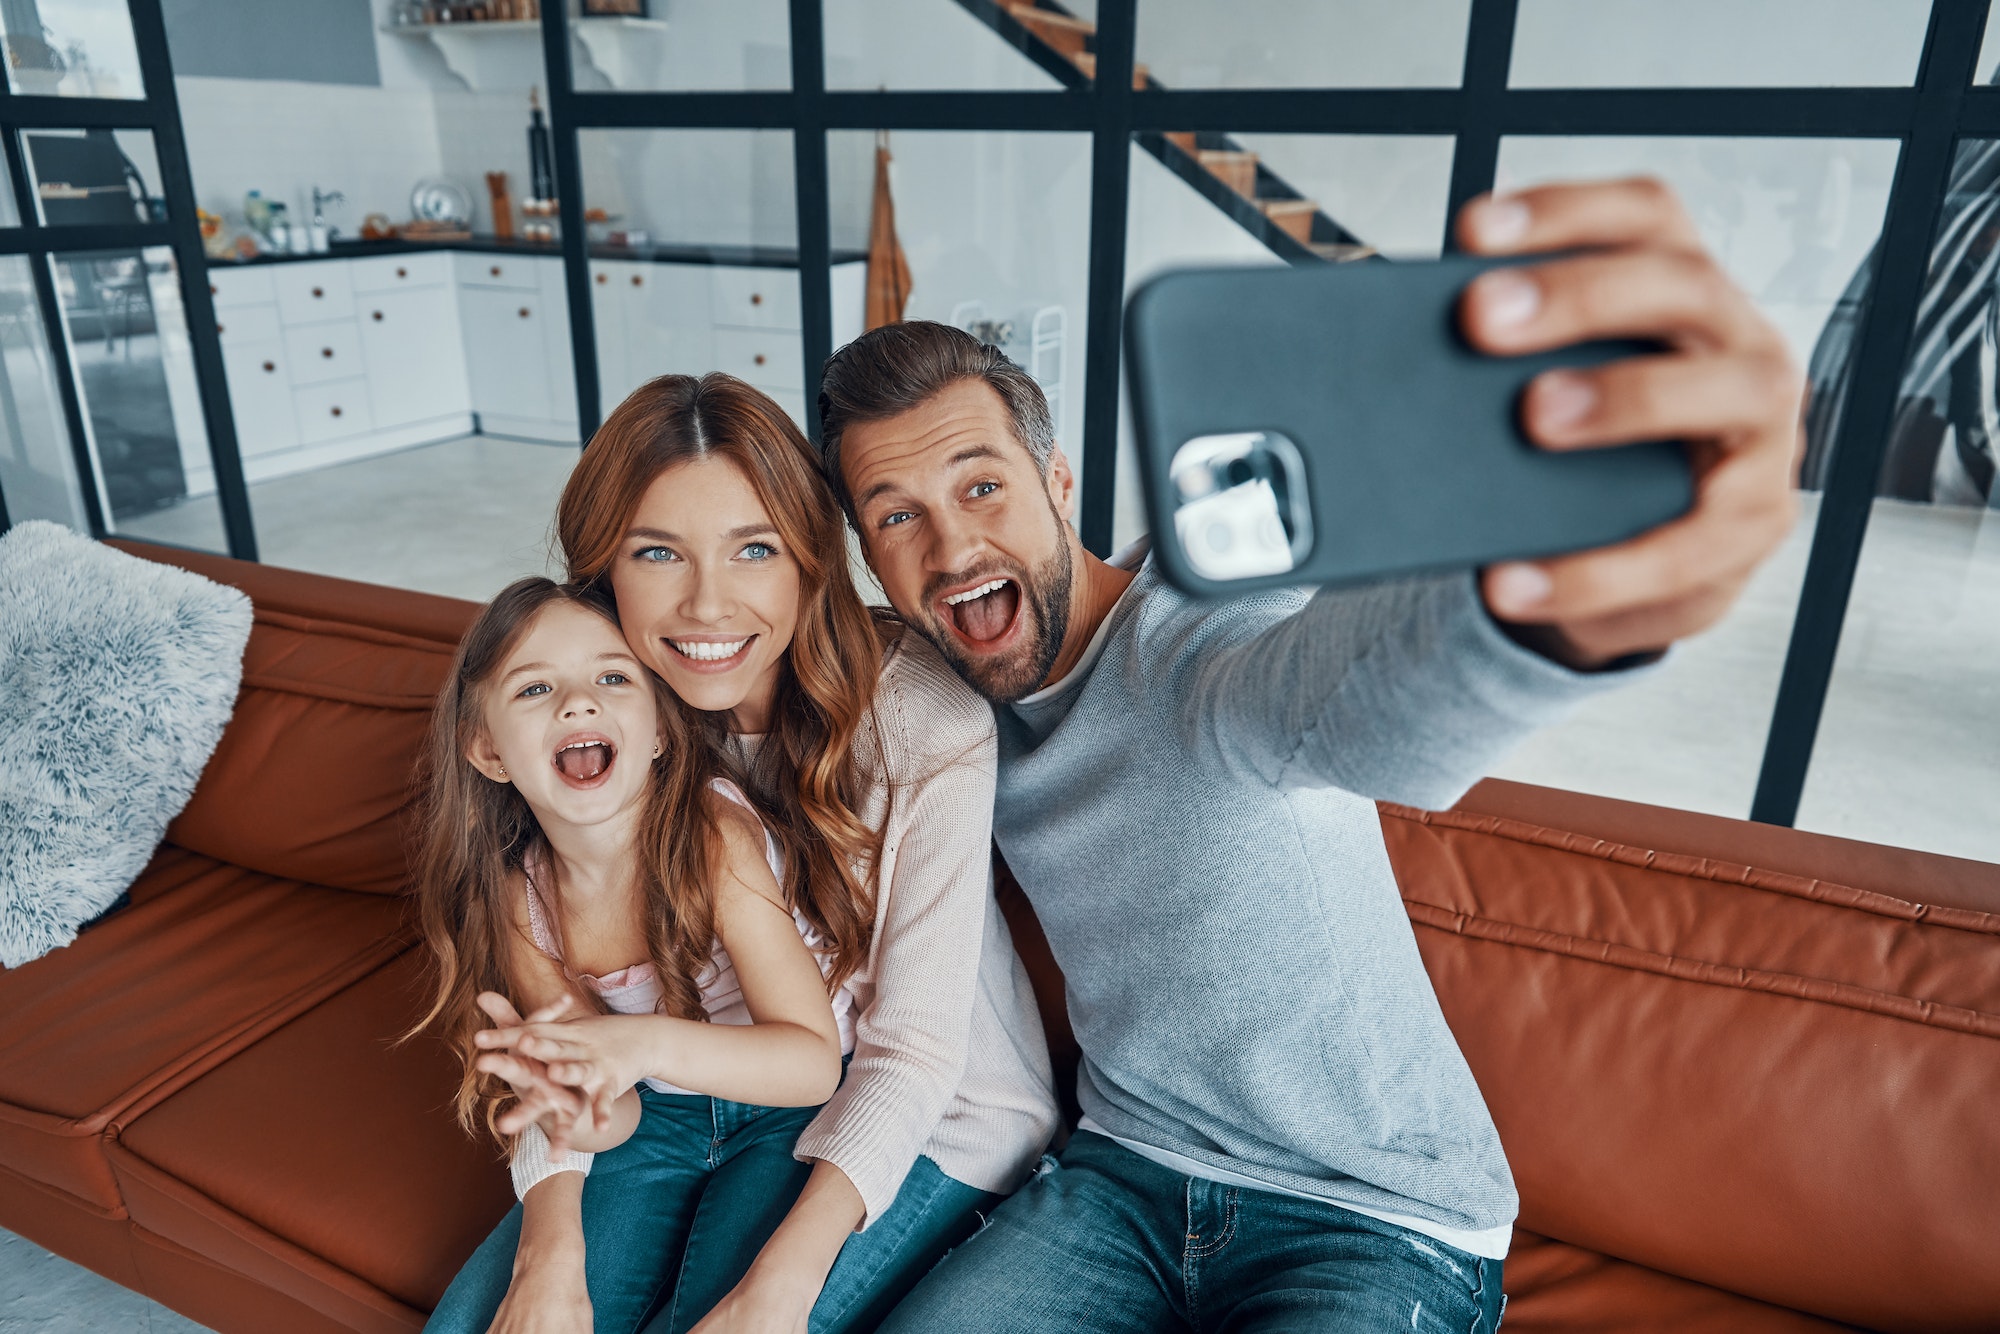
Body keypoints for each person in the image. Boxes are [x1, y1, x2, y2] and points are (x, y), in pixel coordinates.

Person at [808, 180, 1806, 1332]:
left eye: (980, 484)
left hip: (1375, 1213)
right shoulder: (936, 697)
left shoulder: (1204, 633)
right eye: (896, 515)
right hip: (1118, 1179)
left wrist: (1573, 605)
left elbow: (1364, 695)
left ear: (1058, 480)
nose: (950, 544)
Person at [492, 374, 1060, 1334]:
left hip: (940, 1112)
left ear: (810, 560)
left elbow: (914, 1052)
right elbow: (565, 1032)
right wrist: (549, 1255)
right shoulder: (609, 715)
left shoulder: (922, 718)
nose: (708, 607)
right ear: (605, 573)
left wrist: (781, 1285)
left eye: (754, 549)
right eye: (658, 553)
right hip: (710, 1102)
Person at [413, 578, 847, 1334]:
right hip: (659, 1121)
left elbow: (811, 1063)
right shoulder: (522, 899)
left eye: (612, 677)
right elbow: (617, 1113)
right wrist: (577, 1104)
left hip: (783, 1116)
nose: (578, 703)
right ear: (486, 749)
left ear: (657, 730)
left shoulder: (716, 840)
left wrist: (635, 1043)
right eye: (536, 687)